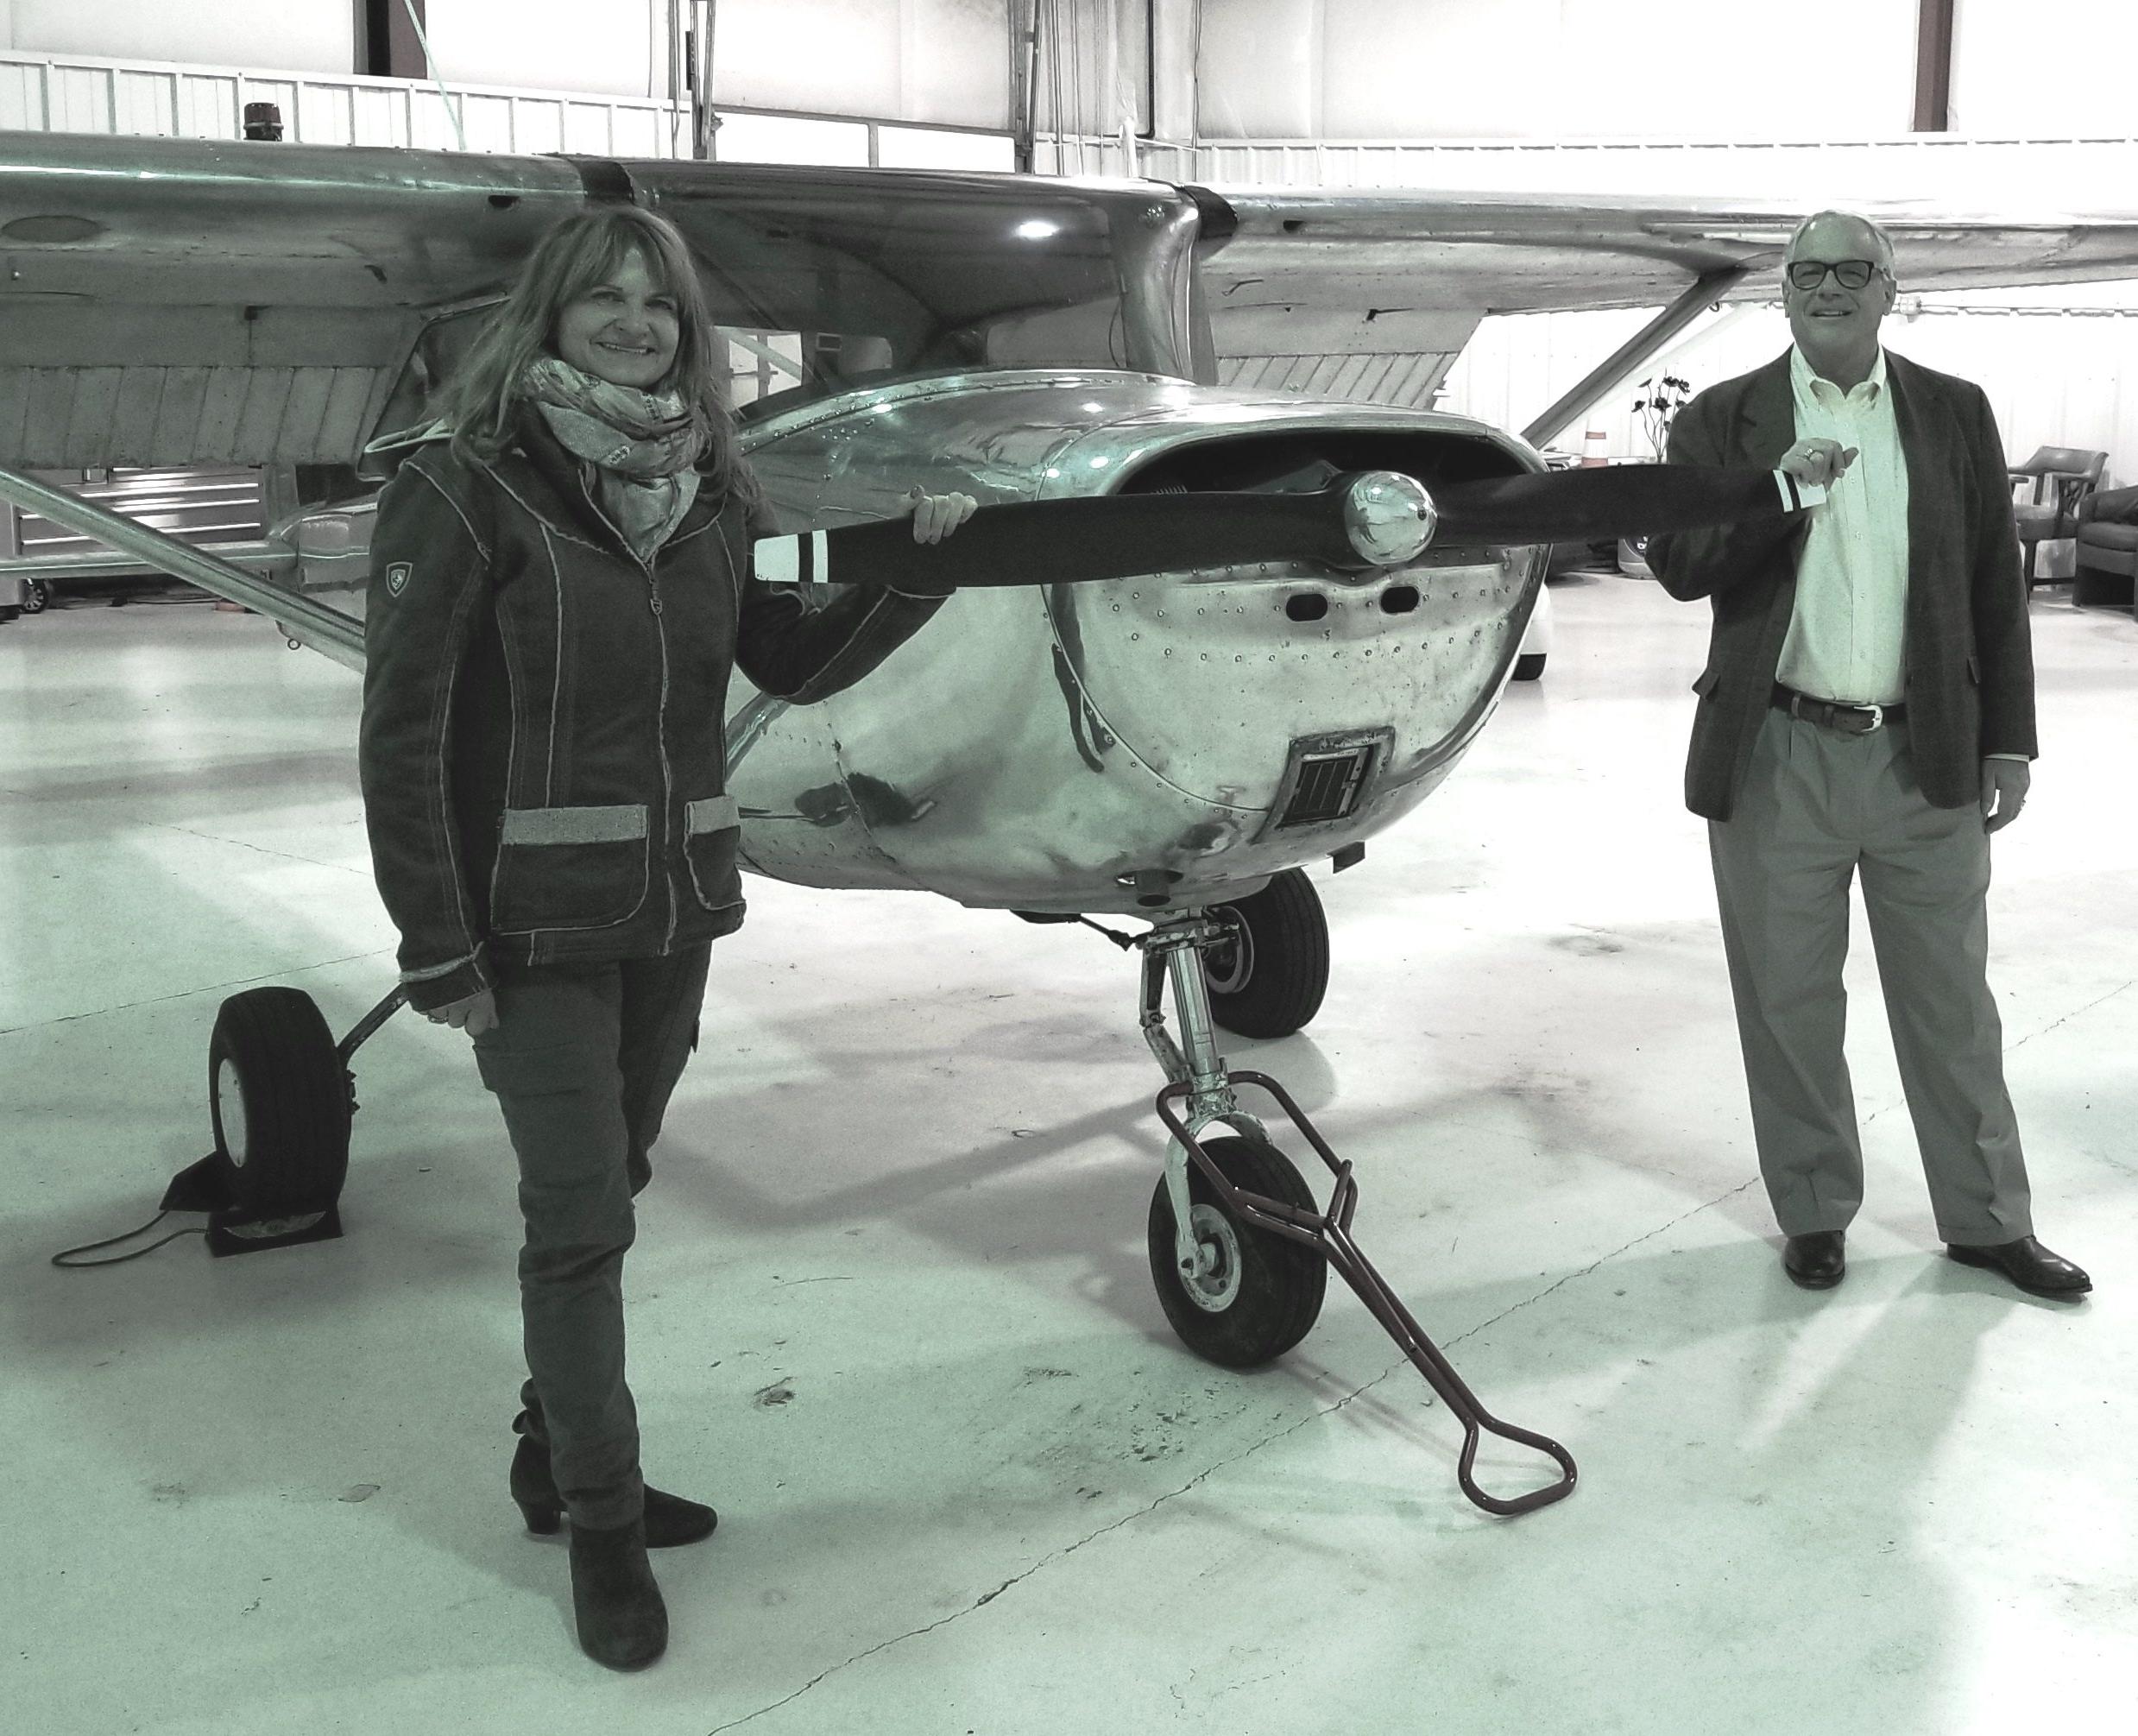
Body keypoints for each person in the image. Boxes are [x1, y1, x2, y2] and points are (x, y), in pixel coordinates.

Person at [356, 204, 975, 1670]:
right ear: (553, 315)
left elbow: (787, 659)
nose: (636, 321)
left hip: (677, 912)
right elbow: (403, 736)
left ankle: (540, 1452)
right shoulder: (462, 489)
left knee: (615, 1186)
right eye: (605, 298)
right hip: (529, 935)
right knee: (576, 1226)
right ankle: (601, 1526)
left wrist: (918, 572)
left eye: (661, 304)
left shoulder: (704, 490)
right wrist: (434, 943)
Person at [1646, 210, 2090, 1304]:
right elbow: (1678, 564)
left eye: (1854, 270)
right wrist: (1777, 491)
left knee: (1951, 1005)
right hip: (1774, 754)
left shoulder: (1949, 411)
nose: (1828, 287)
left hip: (1922, 754)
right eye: (1808, 272)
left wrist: (2009, 740)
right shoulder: (1721, 419)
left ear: (1891, 291)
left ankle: (1986, 1222)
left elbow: (1996, 582)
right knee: (1788, 1003)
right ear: (1784, 293)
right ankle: (1812, 1209)